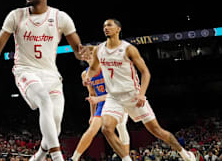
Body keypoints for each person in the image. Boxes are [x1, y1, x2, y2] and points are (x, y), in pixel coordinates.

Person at [0, 0, 85, 161]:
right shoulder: (16, 15)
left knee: (55, 128)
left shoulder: (60, 17)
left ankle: (39, 156)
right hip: (25, 71)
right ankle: (58, 158)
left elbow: (78, 51)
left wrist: (87, 53)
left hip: (51, 75)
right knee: (44, 101)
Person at [83, 19, 196, 161]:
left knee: (157, 131)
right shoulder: (99, 49)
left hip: (132, 95)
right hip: (113, 97)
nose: (106, 28)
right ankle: (126, 159)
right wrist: (88, 77)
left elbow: (145, 73)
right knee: (106, 128)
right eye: (104, 26)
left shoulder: (128, 49)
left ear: (118, 29)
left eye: (110, 25)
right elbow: (93, 68)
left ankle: (184, 153)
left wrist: (142, 94)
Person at [70, 58, 130, 161]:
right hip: (102, 104)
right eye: (86, 56)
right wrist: (92, 115)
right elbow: (92, 94)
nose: (88, 57)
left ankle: (125, 158)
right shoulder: (85, 74)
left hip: (117, 100)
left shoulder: (108, 68)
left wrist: (97, 99)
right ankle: (74, 158)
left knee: (121, 126)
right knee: (92, 129)